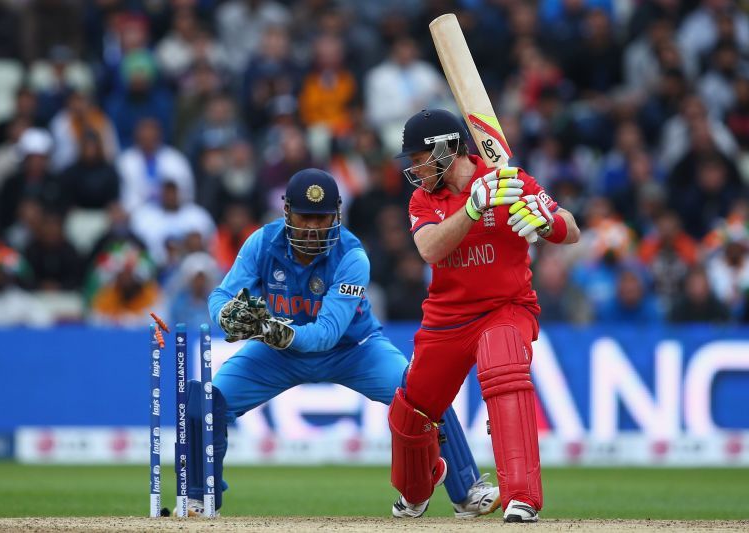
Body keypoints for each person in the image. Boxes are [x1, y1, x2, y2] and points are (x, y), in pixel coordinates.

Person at [182, 168, 500, 518]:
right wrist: (225, 314)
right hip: (277, 354)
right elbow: (222, 294)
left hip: (354, 350)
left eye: (323, 218)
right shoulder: (262, 242)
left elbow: (326, 334)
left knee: (425, 394)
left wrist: (277, 330)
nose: (314, 227)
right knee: (207, 402)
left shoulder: (352, 256)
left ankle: (467, 491)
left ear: (336, 215)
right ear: (286, 212)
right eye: (306, 217)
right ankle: (201, 499)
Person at [389, 109, 580, 523]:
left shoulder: (510, 178)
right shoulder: (424, 198)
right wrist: (474, 207)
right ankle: (416, 490)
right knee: (413, 410)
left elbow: (572, 227)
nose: (414, 168)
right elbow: (430, 249)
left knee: (504, 364)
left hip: (505, 306)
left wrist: (545, 222)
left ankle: (521, 497)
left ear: (445, 150)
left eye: (419, 157)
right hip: (446, 317)